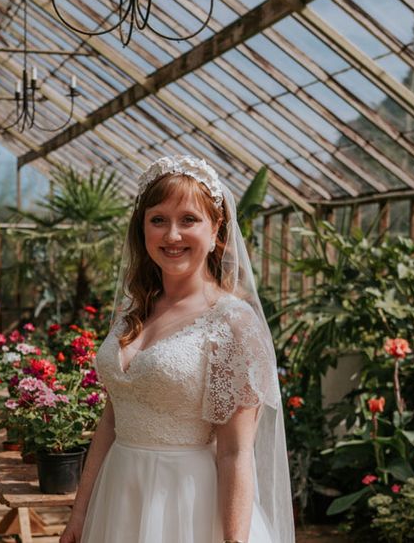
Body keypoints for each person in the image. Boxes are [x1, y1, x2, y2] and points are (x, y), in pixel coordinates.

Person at [59, 155, 294, 543]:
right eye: (158, 220)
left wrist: (234, 540)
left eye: (188, 220)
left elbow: (236, 452)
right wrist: (80, 513)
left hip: (186, 507)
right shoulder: (135, 311)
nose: (171, 235)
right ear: (143, 228)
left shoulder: (233, 323)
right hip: (118, 497)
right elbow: (112, 420)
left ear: (217, 229)